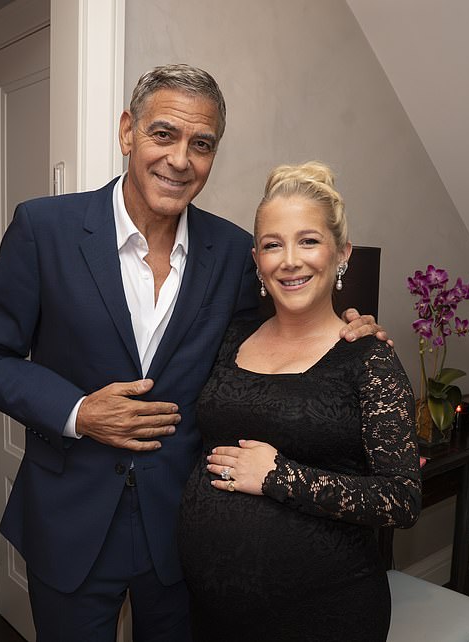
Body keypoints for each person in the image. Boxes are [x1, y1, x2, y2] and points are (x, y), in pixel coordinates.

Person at [0, 64, 386, 641]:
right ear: (127, 131)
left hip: (186, 532)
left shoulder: (236, 252)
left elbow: (279, 341)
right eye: (164, 134)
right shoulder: (44, 228)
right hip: (70, 523)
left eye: (201, 144)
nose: (180, 159)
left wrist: (349, 328)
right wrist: (79, 411)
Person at [177, 161, 422, 642]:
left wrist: (279, 477)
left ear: (342, 253)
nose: (289, 260)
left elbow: (403, 499)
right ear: (256, 259)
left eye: (308, 241)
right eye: (273, 244)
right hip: (212, 614)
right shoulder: (230, 337)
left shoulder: (368, 358)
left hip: (323, 612)